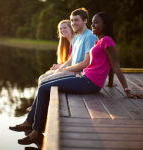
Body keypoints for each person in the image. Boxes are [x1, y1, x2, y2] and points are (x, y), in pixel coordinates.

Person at [9, 11, 143, 145]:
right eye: (93, 22)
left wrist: (127, 90)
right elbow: (108, 65)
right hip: (84, 77)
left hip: (90, 82)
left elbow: (115, 66)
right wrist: (110, 84)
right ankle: (31, 125)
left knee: (44, 88)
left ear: (105, 24)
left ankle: (36, 132)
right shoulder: (98, 41)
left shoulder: (107, 40)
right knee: (45, 85)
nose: (93, 25)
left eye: (96, 22)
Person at [26, 7, 97, 112]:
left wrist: (64, 69)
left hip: (80, 74)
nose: (73, 23)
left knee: (44, 82)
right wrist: (61, 68)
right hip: (72, 70)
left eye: (76, 20)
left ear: (85, 20)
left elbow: (86, 63)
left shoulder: (89, 36)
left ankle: (39, 109)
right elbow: (70, 60)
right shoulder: (78, 38)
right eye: (72, 20)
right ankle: (38, 108)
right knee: (43, 78)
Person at [26, 19, 76, 112]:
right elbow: (71, 61)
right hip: (70, 68)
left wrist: (60, 67)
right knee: (42, 77)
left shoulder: (76, 40)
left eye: (65, 28)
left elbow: (76, 62)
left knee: (44, 80)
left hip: (76, 71)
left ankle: (39, 106)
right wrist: (59, 65)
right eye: (60, 29)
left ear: (71, 28)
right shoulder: (68, 42)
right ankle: (38, 104)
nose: (62, 30)